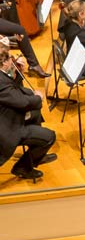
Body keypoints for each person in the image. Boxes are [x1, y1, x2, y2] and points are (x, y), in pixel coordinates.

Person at [0, 43, 56, 180]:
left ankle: (36, 154)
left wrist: (19, 73)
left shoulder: (2, 77)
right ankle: (22, 167)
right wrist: (37, 97)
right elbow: (22, 102)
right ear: (4, 63)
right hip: (6, 128)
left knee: (36, 112)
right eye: (10, 59)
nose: (12, 60)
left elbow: (14, 90)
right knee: (50, 137)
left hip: (8, 116)